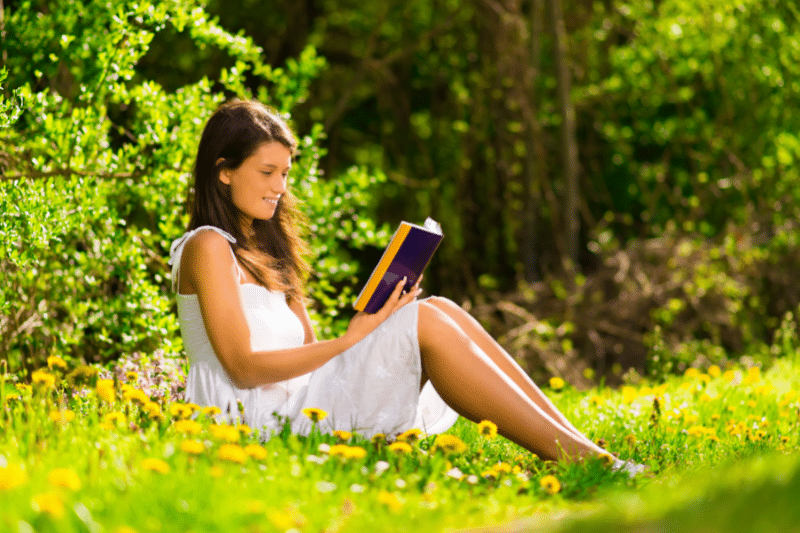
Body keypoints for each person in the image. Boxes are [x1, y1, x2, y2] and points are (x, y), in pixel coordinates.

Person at [168, 99, 642, 471]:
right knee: (427, 322)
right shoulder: (208, 246)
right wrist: (352, 339)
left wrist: (376, 325)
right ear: (224, 170)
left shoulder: (268, 248)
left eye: (285, 174)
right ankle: (586, 460)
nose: (280, 187)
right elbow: (243, 367)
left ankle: (582, 450)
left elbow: (311, 353)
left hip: (306, 404)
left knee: (440, 309)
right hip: (253, 428)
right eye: (266, 172)